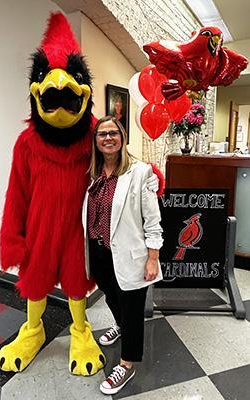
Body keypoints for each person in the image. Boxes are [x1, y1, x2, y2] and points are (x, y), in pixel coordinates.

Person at [82, 115, 163, 395]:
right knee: (109, 291)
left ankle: (127, 365)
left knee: (132, 309)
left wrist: (152, 257)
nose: (107, 138)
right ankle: (119, 326)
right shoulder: (92, 174)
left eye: (113, 133)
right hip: (99, 251)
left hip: (130, 255)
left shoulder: (140, 172)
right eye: (102, 134)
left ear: (122, 137)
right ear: (96, 141)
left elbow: (153, 220)